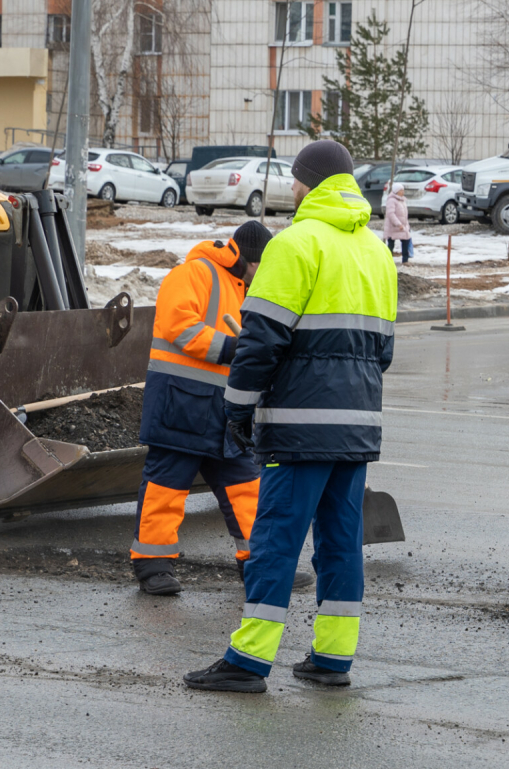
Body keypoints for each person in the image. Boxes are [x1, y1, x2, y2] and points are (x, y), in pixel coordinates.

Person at [184, 139, 397, 693]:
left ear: (307, 182)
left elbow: (259, 342)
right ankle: (332, 659)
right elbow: (385, 352)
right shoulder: (377, 251)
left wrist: (237, 406)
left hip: (298, 425)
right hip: (357, 426)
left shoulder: (293, 244)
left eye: (296, 179)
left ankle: (248, 662)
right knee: (340, 542)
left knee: (276, 537)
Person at [131, 221, 318, 595]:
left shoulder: (247, 288)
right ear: (248, 259)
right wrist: (236, 349)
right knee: (166, 486)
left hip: (223, 411)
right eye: (262, 267)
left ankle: (259, 566)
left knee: (247, 487)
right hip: (180, 404)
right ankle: (152, 567)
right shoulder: (191, 274)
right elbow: (179, 328)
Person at [383, 182, 413, 263]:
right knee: (391, 243)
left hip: (403, 226)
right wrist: (398, 223)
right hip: (393, 226)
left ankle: (405, 260)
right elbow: (390, 214)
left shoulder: (402, 200)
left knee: (406, 241)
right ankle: (388, 260)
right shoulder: (391, 200)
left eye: (403, 190)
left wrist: (406, 225)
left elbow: (404, 214)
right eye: (401, 190)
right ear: (396, 191)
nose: (403, 192)